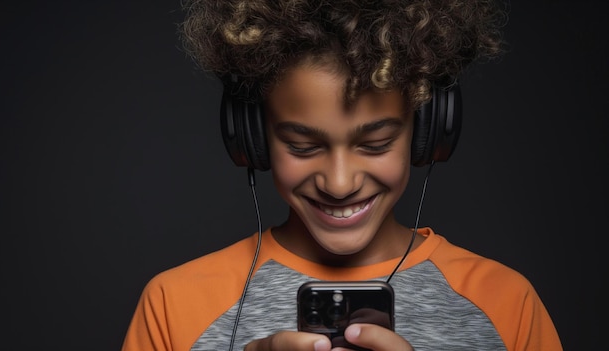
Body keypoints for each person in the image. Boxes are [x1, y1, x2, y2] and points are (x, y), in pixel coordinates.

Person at [121, 0, 563, 350]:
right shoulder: (173, 305)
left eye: (375, 145)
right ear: (252, 139)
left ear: (427, 132)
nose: (339, 182)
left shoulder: (506, 305)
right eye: (303, 146)